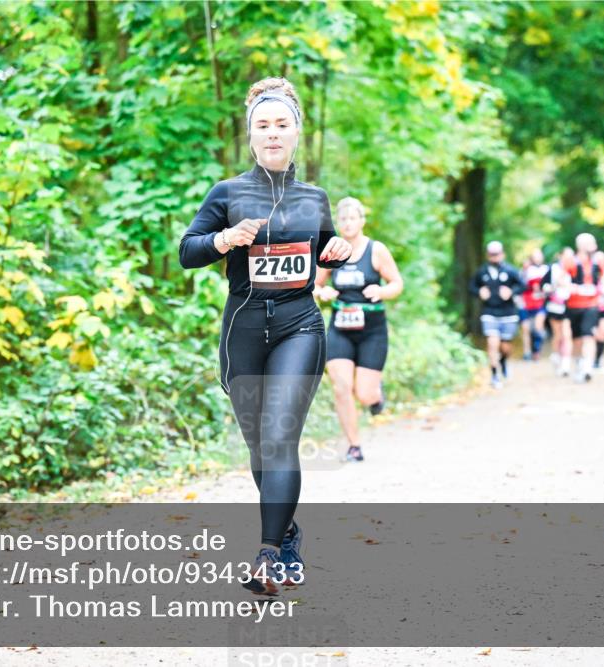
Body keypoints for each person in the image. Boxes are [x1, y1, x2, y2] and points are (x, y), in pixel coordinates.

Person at [179, 77, 351, 595]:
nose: (272, 134)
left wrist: (336, 250)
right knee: (260, 448)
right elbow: (188, 251)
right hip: (244, 330)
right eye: (262, 126)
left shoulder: (314, 198)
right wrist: (224, 238)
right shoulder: (227, 193)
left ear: (297, 132)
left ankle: (268, 555)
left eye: (282, 125)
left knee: (279, 438)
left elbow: (324, 250)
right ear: (249, 135)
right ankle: (290, 534)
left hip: (300, 324)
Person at [313, 197, 403, 462]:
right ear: (337, 223)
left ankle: (375, 394)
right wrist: (323, 291)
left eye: (353, 218)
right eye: (343, 219)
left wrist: (382, 290)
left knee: (363, 394)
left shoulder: (376, 250)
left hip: (372, 331)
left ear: (362, 221)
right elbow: (314, 285)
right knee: (342, 387)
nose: (348, 223)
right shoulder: (330, 251)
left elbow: (397, 283)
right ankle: (354, 445)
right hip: (340, 328)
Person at [468, 241, 525, 389]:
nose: (495, 257)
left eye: (497, 254)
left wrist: (511, 292)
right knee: (492, 343)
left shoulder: (511, 271)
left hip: (508, 313)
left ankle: (504, 361)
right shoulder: (482, 272)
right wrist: (479, 292)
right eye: (492, 254)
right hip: (489, 312)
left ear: (502, 254)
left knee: (505, 346)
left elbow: (523, 285)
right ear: (488, 255)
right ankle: (494, 375)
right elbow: (472, 286)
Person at [565, 233, 602, 383]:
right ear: (581, 245)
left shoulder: (598, 261)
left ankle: (588, 367)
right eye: (590, 243)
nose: (594, 246)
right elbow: (561, 279)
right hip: (574, 305)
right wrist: (571, 287)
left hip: (591, 305)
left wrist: (601, 289)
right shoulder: (571, 261)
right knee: (577, 339)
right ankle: (579, 363)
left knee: (589, 335)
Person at [542, 247, 574, 376]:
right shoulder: (553, 269)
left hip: (569, 305)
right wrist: (554, 286)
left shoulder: (575, 270)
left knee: (567, 334)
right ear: (560, 256)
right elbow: (543, 286)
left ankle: (566, 364)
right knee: (558, 335)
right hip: (555, 306)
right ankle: (556, 355)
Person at [518, 248, 549, 361]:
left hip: (540, 303)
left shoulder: (546, 269)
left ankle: (536, 349)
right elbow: (519, 284)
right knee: (525, 328)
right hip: (525, 303)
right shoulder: (525, 270)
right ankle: (527, 351)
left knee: (538, 327)